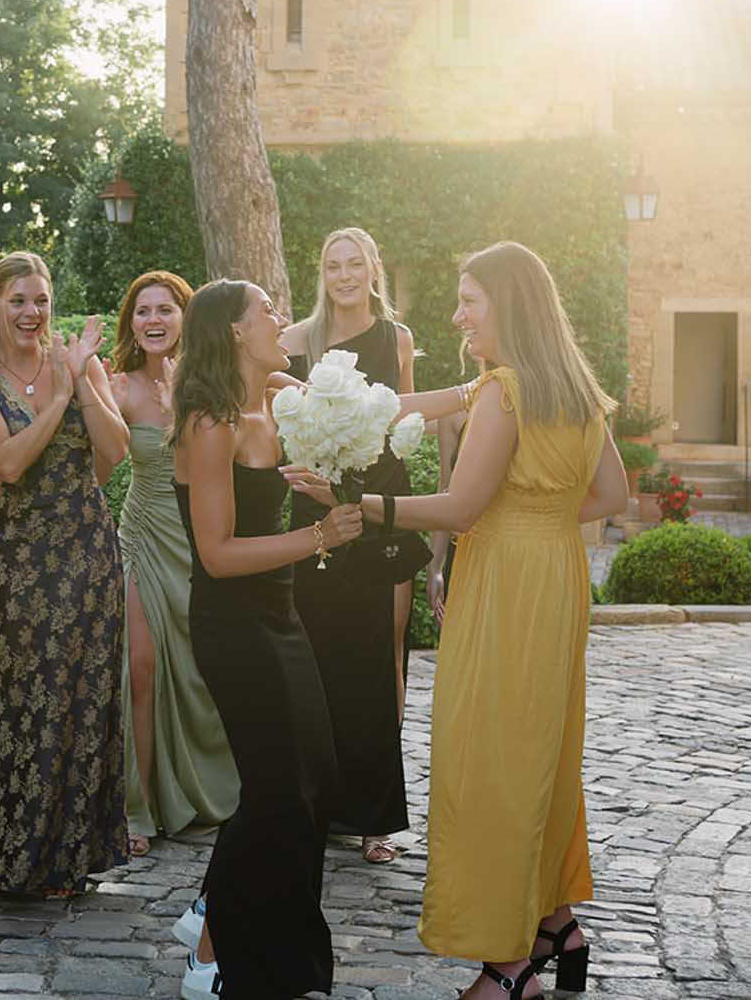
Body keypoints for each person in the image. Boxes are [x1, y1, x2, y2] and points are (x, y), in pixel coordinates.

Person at [286, 241, 627, 1000]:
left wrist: (357, 506)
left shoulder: (506, 392)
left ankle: (507, 970)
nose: (457, 314)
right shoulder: (565, 384)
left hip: (506, 581)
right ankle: (556, 926)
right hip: (556, 576)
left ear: (508, 303)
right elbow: (610, 496)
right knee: (538, 750)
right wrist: (319, 401)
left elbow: (461, 508)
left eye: (469, 299)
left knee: (494, 763)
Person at [171, 278, 365, 1000]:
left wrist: (474, 395)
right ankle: (228, 959)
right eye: (268, 312)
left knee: (312, 784)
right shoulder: (210, 422)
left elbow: (382, 406)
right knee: (278, 793)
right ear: (234, 332)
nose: (282, 320)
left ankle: (284, 962)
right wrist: (316, 533)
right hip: (232, 625)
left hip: (281, 614)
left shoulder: (278, 391)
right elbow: (217, 555)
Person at [0, 251, 130, 896]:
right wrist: (57, 400)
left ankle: (71, 858)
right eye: (19, 301)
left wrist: (80, 382)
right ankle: (16, 857)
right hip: (23, 564)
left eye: (41, 302)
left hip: (90, 554)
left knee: (86, 701)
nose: (32, 314)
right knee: (26, 702)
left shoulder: (81, 367)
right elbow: (8, 462)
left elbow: (116, 450)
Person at [279, 226, 422, 865]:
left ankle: (374, 817)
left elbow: (404, 416)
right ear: (322, 272)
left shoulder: (398, 340)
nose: (344, 275)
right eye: (333, 264)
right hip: (314, 510)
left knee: (375, 659)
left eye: (354, 263)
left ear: (372, 269)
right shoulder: (295, 342)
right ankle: (315, 805)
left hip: (381, 508)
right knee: (313, 658)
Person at [107, 270, 238, 856]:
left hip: (200, 535)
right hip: (140, 534)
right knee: (140, 664)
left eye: (165, 309)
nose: (153, 320)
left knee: (203, 668)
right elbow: (98, 466)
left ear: (187, 318)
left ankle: (210, 787)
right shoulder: (117, 386)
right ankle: (138, 806)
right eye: (142, 311)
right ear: (131, 323)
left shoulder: (213, 385)